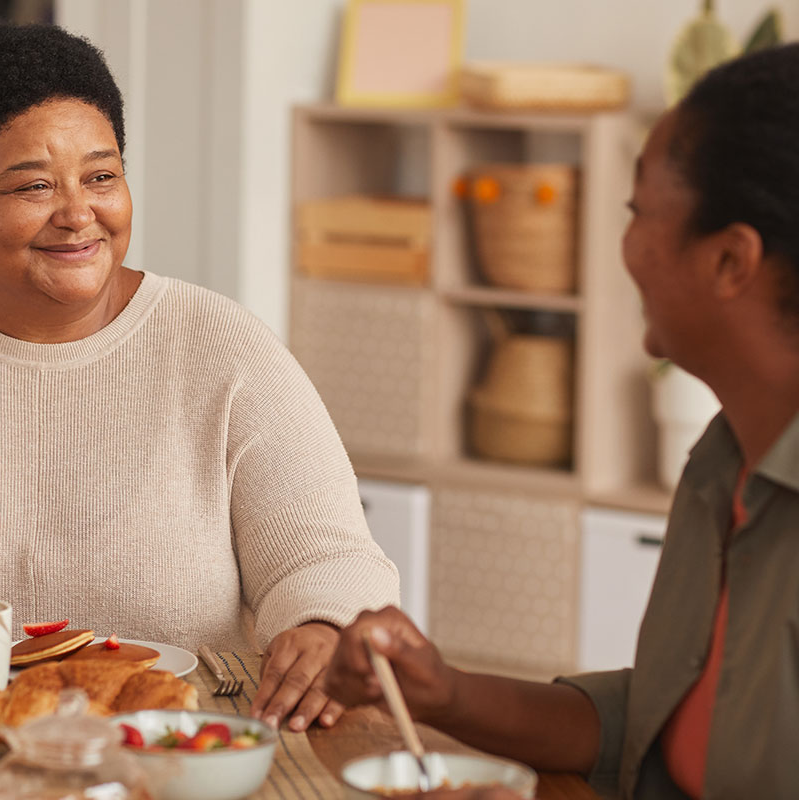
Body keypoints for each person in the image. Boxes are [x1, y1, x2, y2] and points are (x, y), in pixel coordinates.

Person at [0, 21, 399, 733]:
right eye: (34, 186)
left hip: (176, 750)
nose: (79, 215)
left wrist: (322, 624)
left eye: (102, 176)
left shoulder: (222, 345)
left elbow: (331, 555)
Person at [326, 42, 799, 799]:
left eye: (639, 212)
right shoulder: (724, 463)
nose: (625, 247)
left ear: (731, 262)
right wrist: (442, 692)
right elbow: (649, 726)